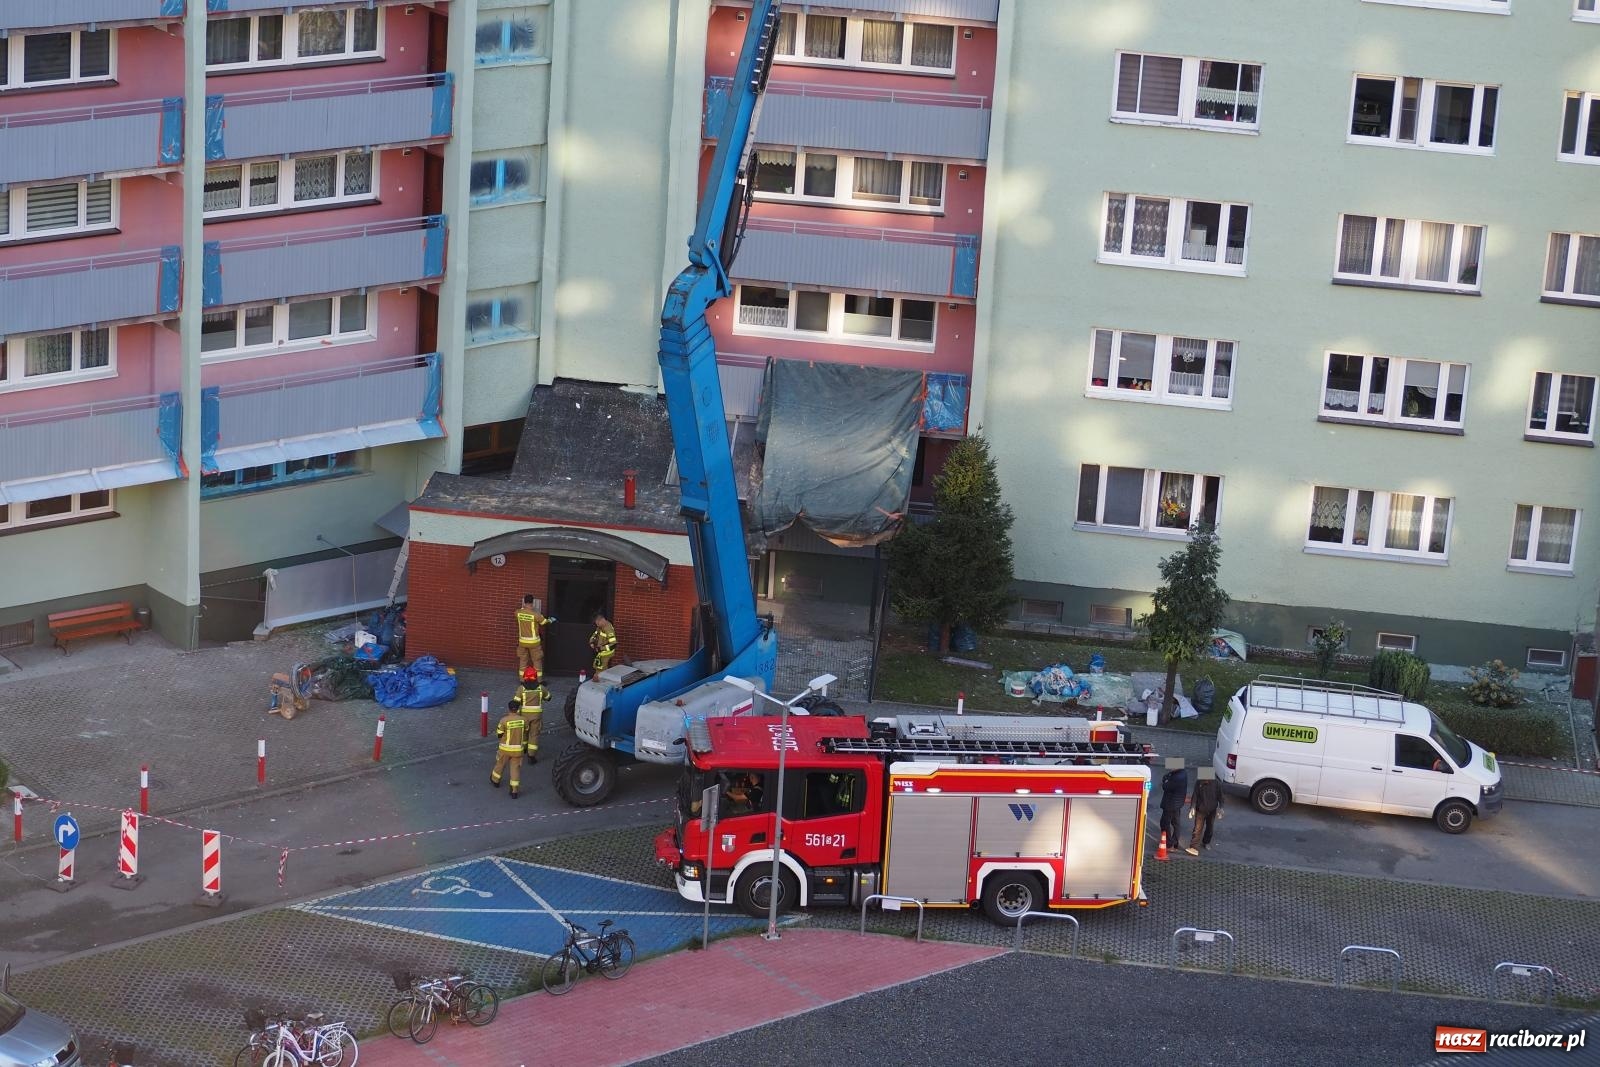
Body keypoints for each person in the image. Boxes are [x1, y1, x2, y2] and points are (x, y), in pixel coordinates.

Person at [512, 668, 550, 765]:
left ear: (525, 677)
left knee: (524, 732)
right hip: (536, 717)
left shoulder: (521, 689)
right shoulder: (541, 688)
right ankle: (531, 756)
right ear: (535, 677)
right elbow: (548, 698)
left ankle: (524, 749)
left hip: (524, 716)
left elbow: (515, 702)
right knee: (534, 735)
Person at [491, 700, 527, 799]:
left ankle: (495, 780)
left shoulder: (504, 720)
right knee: (515, 769)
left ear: (509, 709)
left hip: (505, 749)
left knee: (500, 764)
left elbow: (499, 734)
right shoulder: (524, 720)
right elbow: (526, 731)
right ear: (518, 709)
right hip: (518, 750)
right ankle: (514, 791)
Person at [1187, 766, 1224, 855]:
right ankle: (1193, 846)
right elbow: (1195, 795)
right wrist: (1192, 807)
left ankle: (1206, 842)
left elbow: (1221, 797)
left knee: (1210, 828)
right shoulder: (1199, 782)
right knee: (1197, 829)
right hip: (1200, 810)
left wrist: (1221, 808)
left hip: (1212, 810)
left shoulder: (1217, 784)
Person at [514, 596, 553, 678]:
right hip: (534, 642)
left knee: (523, 661)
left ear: (524, 602)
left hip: (522, 642)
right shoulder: (536, 614)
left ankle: (522, 680)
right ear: (533, 602)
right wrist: (551, 620)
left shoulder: (518, 613)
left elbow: (519, 612)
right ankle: (539, 681)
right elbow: (543, 622)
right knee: (537, 661)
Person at [1159, 758, 1188, 851]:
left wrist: (1166, 781)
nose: (1170, 768)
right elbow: (1165, 777)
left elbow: (1165, 786)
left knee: (1164, 823)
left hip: (1170, 804)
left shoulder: (1176, 778)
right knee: (1176, 823)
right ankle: (1175, 842)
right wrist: (1166, 779)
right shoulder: (1182, 773)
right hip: (1177, 803)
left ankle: (1169, 843)